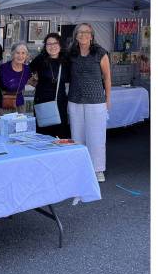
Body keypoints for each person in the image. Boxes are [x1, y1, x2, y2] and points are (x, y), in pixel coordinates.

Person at [67, 22, 112, 182]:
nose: (83, 35)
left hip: (96, 101)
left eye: (86, 32)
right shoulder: (71, 53)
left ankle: (98, 169)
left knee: (96, 136)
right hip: (75, 100)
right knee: (77, 136)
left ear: (92, 35)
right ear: (76, 36)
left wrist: (108, 99)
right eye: (80, 32)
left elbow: (107, 77)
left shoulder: (100, 53)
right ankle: (80, 166)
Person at [29, 32, 71, 138]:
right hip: (42, 102)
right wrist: (34, 83)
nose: (52, 46)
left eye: (55, 43)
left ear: (60, 45)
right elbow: (26, 73)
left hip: (60, 102)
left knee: (60, 135)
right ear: (45, 46)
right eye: (49, 44)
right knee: (43, 135)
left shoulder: (66, 61)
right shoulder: (40, 59)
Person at [0, 42, 31, 111]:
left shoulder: (27, 69)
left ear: (26, 55)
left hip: (20, 105)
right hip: (3, 105)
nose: (20, 56)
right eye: (17, 53)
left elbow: (32, 81)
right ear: (12, 54)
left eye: (23, 53)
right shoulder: (2, 68)